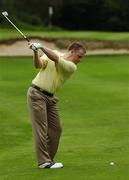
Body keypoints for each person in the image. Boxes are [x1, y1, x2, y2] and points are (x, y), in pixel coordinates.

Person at [27, 42, 86, 169]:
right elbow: (38, 65)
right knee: (41, 129)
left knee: (56, 129)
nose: (80, 60)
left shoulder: (71, 66)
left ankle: (49, 159)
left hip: (50, 98)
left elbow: (55, 58)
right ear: (71, 51)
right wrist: (35, 52)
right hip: (36, 94)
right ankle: (44, 162)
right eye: (79, 56)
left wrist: (41, 47)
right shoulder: (53, 53)